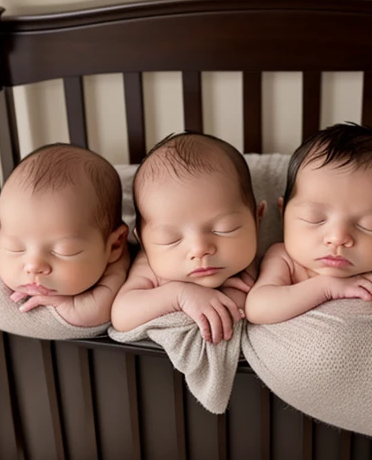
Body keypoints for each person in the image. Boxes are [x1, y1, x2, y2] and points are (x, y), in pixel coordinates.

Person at [244, 123, 372, 324]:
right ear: (283, 214)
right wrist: (326, 287)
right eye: (314, 218)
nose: (337, 238)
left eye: (369, 225)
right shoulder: (285, 260)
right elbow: (258, 308)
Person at [111, 132, 265, 343]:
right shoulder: (150, 269)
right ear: (143, 243)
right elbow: (122, 316)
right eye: (170, 239)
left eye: (225, 228)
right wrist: (179, 295)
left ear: (257, 220)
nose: (200, 248)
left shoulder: (252, 258)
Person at [0, 143, 129, 326]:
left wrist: (69, 306)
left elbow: (97, 311)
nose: (34, 266)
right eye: (15, 248)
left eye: (65, 251)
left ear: (114, 245)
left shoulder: (125, 267)